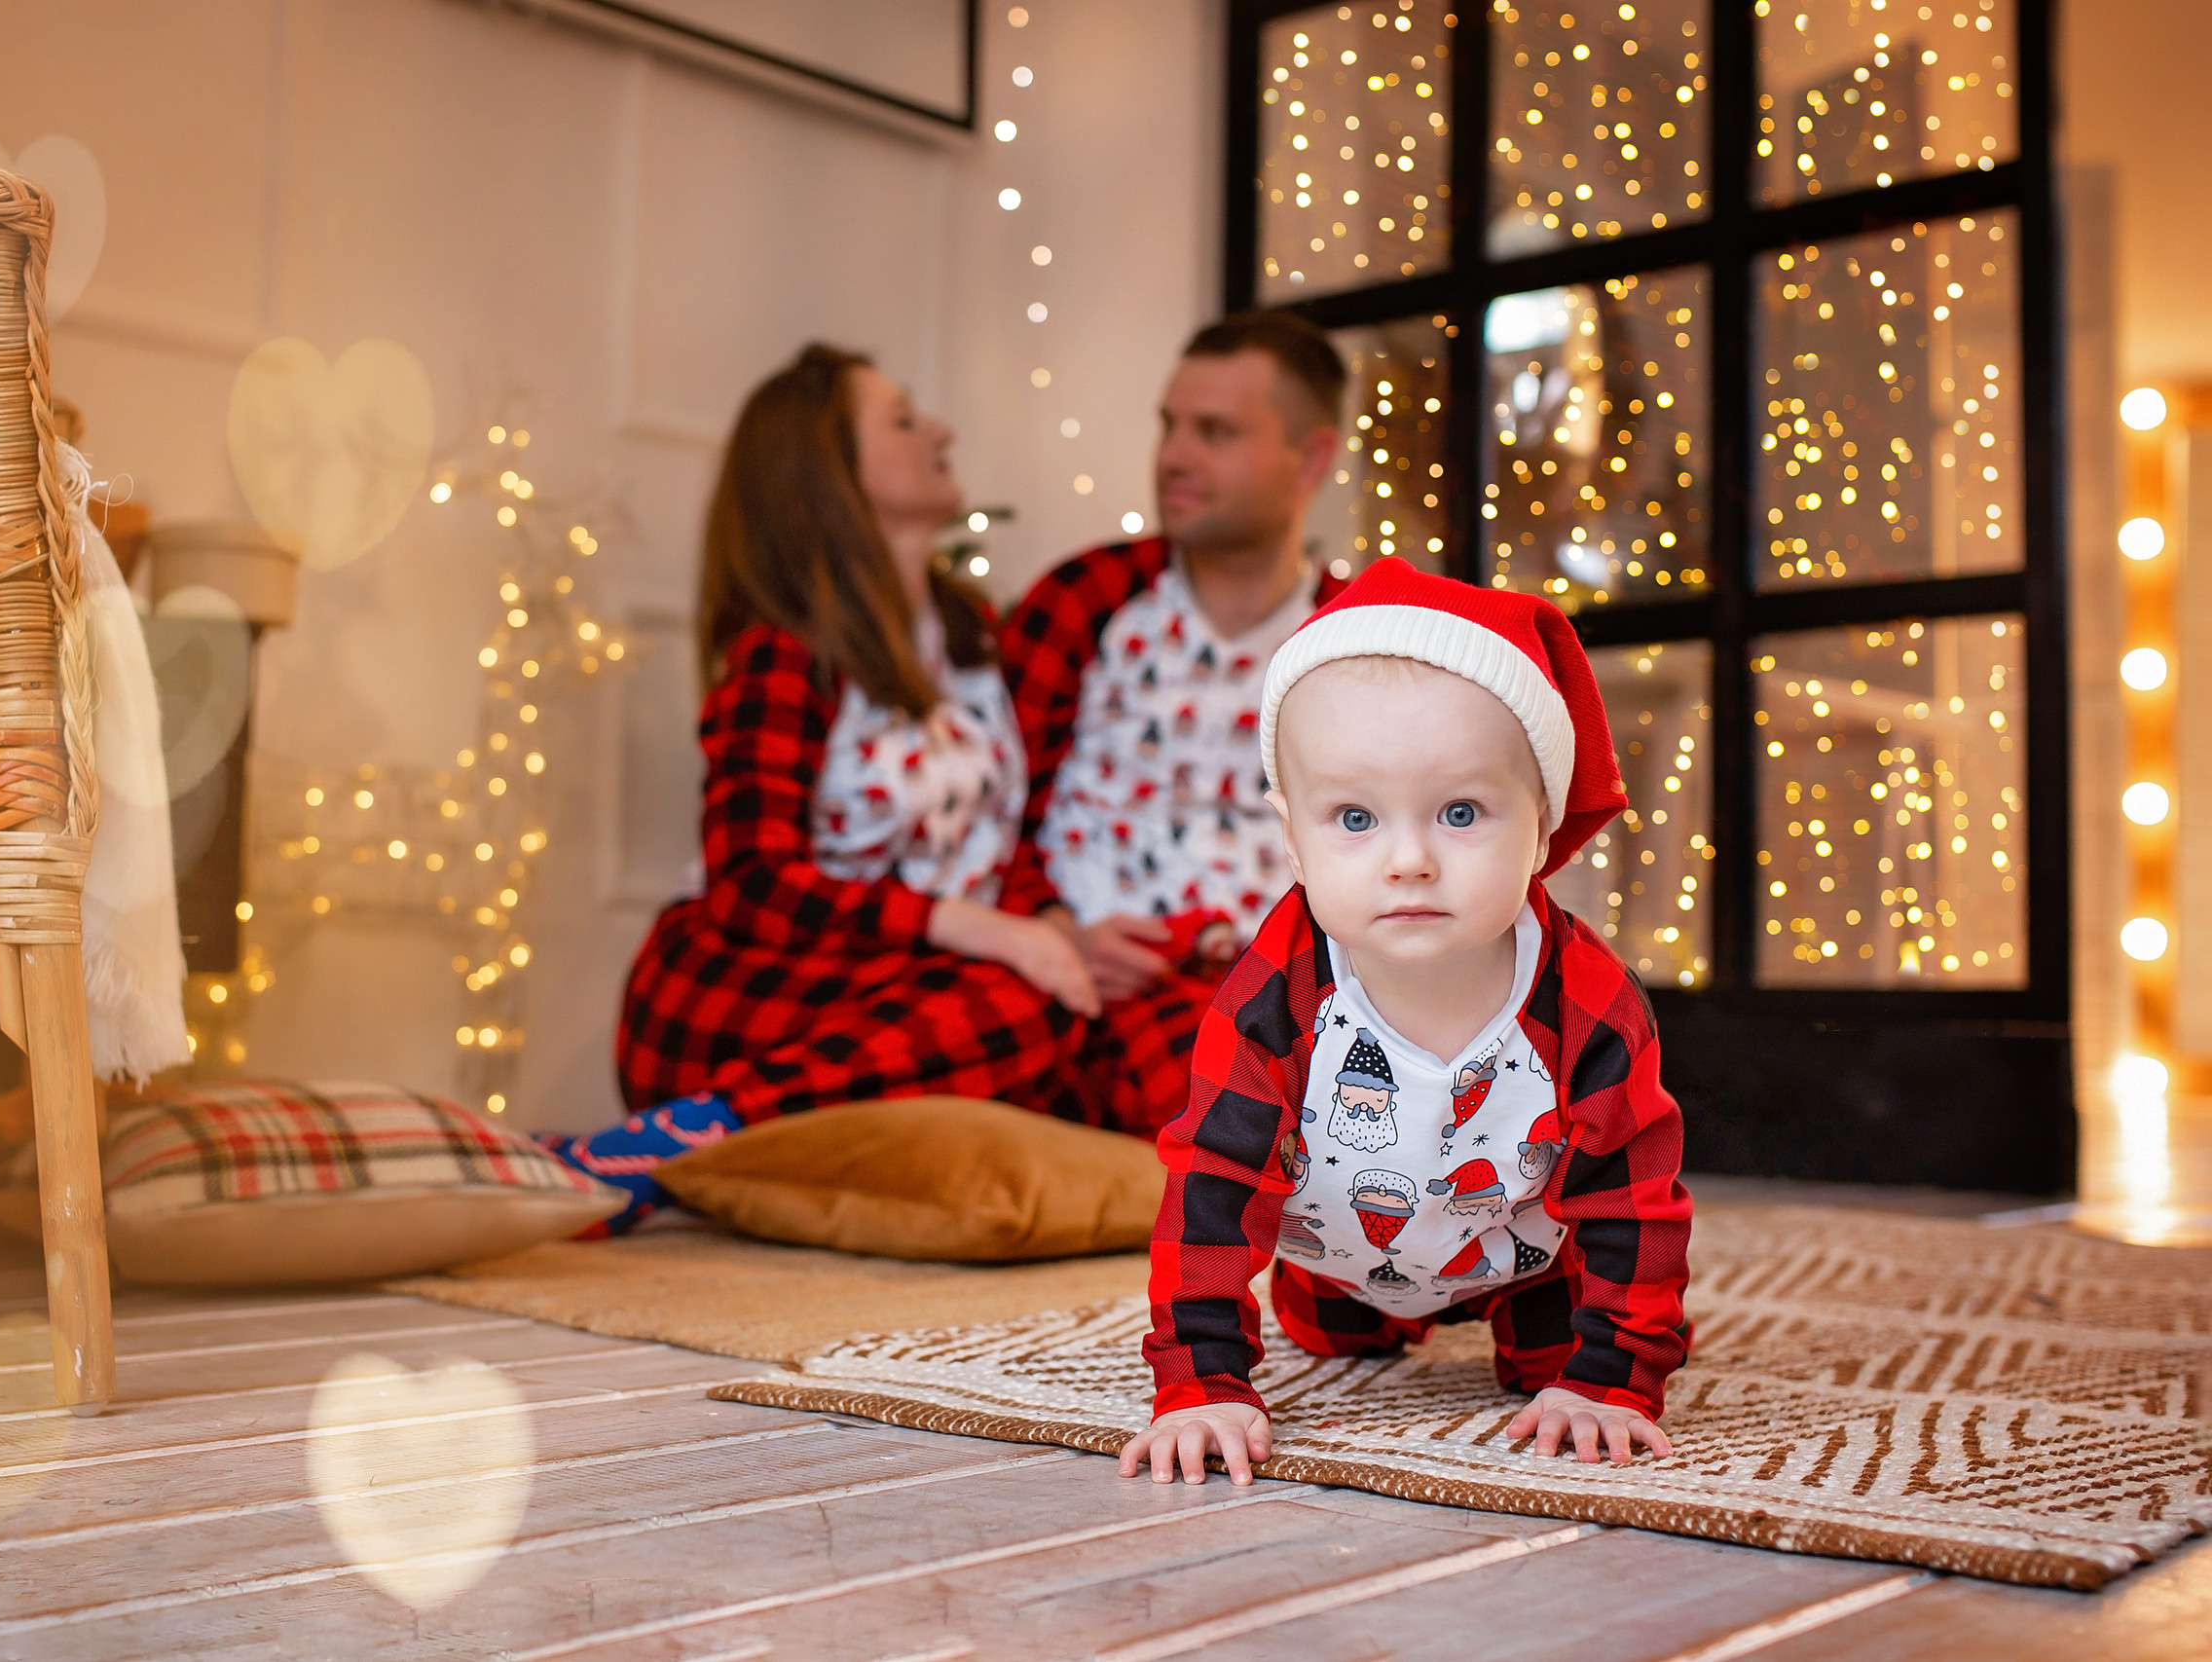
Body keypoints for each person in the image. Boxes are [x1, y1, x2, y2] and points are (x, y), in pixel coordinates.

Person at [1120, 557, 1694, 1485]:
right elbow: (1214, 1187)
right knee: (1338, 1339)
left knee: (1561, 1383)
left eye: (1460, 811)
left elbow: (1632, 1197)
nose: (1409, 860)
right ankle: (1346, 1311)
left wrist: (1616, 1377)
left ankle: (1554, 1348)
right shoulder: (1278, 993)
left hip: (1527, 1260)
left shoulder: (1588, 1002)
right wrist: (1202, 1381)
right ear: (1290, 833)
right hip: (1335, 1261)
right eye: (1354, 816)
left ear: (1542, 828)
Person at [546, 344, 1104, 1228]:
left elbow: (1004, 842)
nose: (941, 431)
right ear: (831, 470)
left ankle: (684, 1148)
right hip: (738, 985)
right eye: (904, 419)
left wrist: (1052, 927)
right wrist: (972, 927)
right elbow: (750, 882)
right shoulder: (787, 651)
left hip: (903, 995)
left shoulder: (972, 640)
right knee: (1021, 1002)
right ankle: (687, 1137)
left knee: (1056, 1009)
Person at [999, 312, 1354, 1136]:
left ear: (1311, 460)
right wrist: (1053, 930)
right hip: (1079, 969)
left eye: (1215, 432)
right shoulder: (1085, 599)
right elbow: (998, 811)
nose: (1173, 456)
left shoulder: (1354, 631)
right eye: (1169, 426)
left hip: (1280, 988)